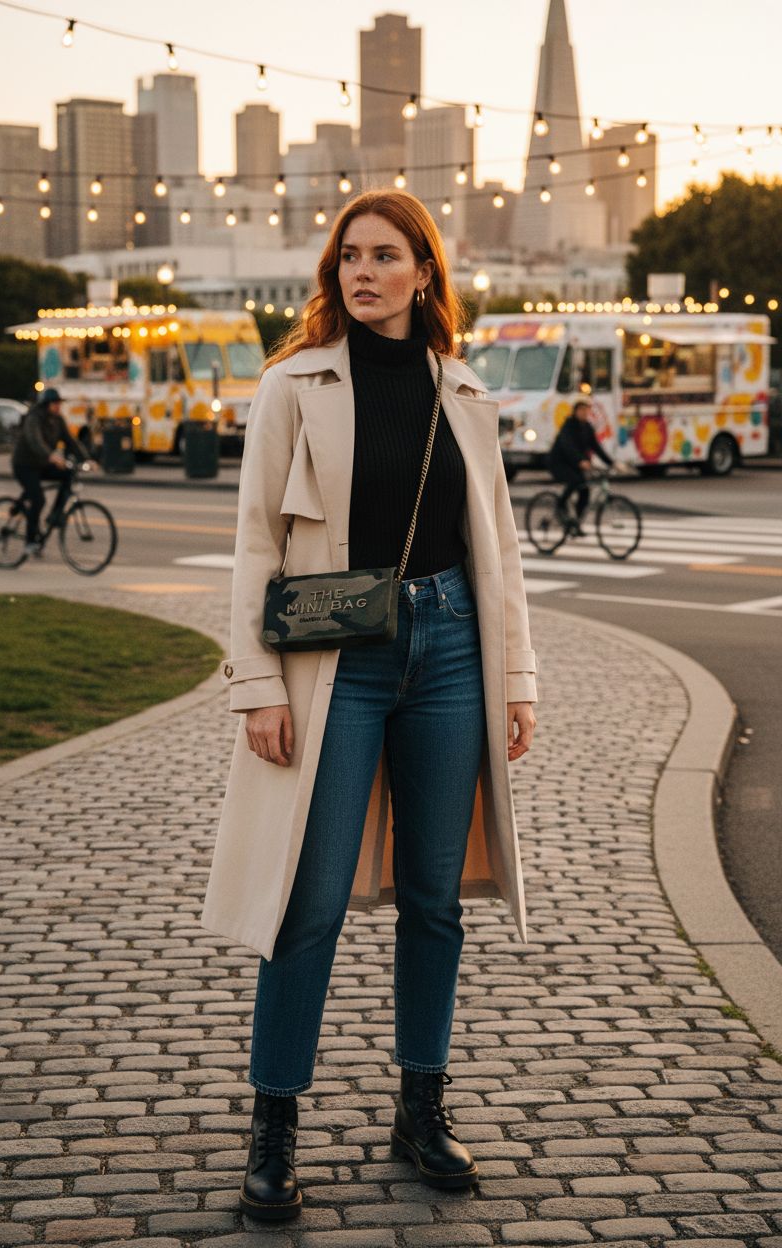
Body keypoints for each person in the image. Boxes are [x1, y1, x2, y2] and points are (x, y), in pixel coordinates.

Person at [200, 189, 538, 1222]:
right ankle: (275, 1127)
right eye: (349, 255)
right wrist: (257, 685)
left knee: (434, 900)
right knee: (307, 904)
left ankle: (419, 1108)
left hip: (448, 652)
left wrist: (514, 679)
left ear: (424, 273)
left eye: (386, 255)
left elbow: (501, 557)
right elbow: (257, 542)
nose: (363, 271)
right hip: (337, 662)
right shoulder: (291, 386)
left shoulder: (465, 392)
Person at [11, 388, 92, 552]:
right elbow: (36, 441)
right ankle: (30, 541)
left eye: (59, 404)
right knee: (39, 500)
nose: (58, 407)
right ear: (46, 404)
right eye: (55, 404)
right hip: (24, 465)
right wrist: (51, 456)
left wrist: (88, 458)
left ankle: (54, 516)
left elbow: (71, 441)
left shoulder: (58, 420)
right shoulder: (34, 418)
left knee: (68, 474)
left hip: (42, 464)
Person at [546, 399, 614, 536]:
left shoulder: (587, 427)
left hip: (575, 464)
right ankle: (560, 504)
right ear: (575, 411)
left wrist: (612, 463)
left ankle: (576, 522)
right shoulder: (568, 426)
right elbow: (568, 446)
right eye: (581, 410)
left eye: (586, 410)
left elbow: (596, 447)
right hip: (559, 463)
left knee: (585, 490)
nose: (584, 413)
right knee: (575, 481)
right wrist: (581, 460)